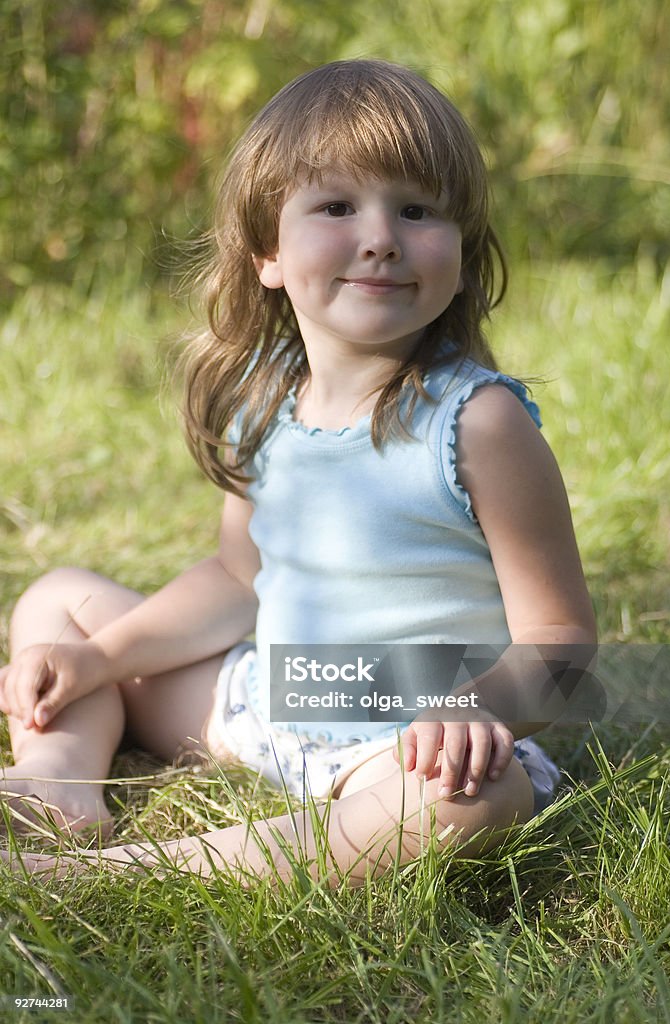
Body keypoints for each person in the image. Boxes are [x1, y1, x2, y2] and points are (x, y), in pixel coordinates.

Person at [0, 59, 596, 885]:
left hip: (409, 749)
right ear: (266, 254)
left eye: (416, 209)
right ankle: (57, 783)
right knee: (57, 600)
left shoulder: (478, 423)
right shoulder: (265, 402)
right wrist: (102, 658)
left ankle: (114, 873)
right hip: (266, 709)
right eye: (338, 206)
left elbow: (561, 644)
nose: (381, 235)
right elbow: (236, 579)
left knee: (474, 801)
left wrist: (472, 707)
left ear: (462, 247)